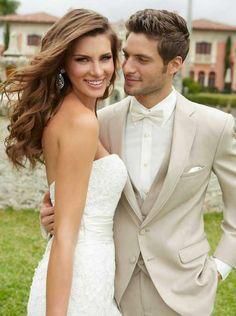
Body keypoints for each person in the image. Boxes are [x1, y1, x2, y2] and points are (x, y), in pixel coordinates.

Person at [40, 9, 236, 316]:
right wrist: (51, 215)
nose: (126, 68)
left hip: (186, 292)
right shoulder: (98, 122)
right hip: (113, 288)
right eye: (126, 55)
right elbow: (73, 197)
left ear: (175, 65)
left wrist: (220, 266)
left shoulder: (216, 126)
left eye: (142, 60)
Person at [4, 8, 127, 316]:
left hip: (92, 271)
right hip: (78, 280)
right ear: (64, 64)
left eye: (105, 58)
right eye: (83, 59)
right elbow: (67, 237)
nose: (97, 71)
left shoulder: (70, 113)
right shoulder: (80, 122)